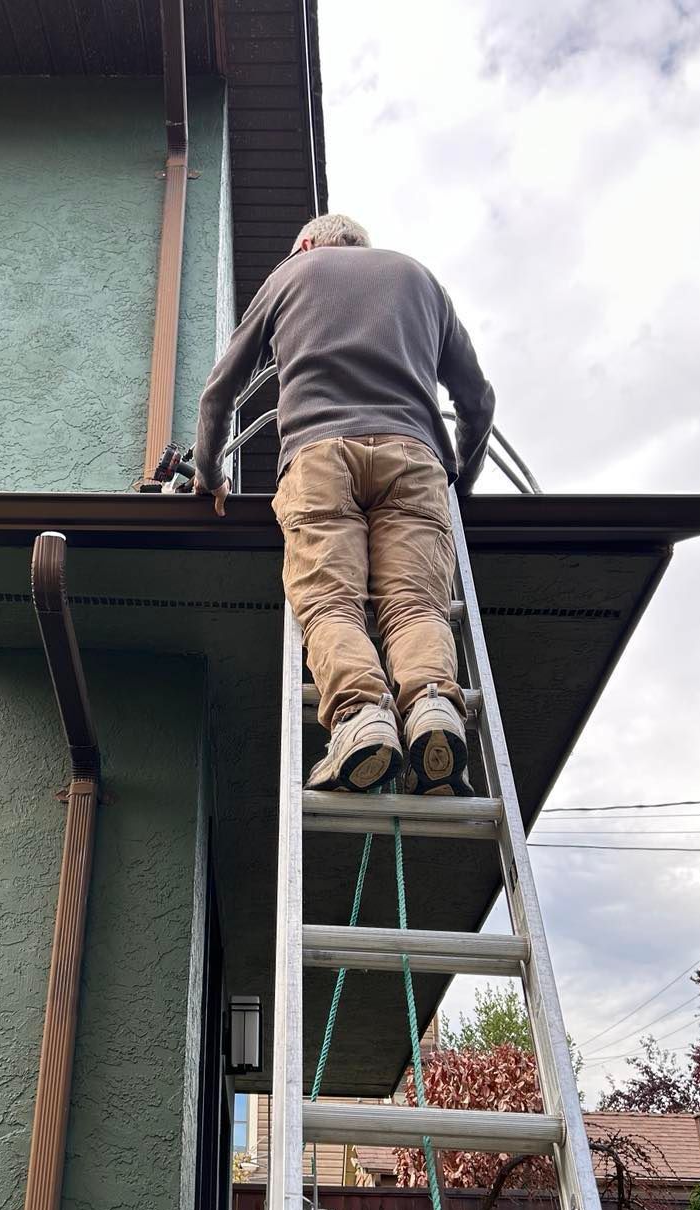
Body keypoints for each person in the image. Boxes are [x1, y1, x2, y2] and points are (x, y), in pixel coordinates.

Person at [191, 213, 495, 795]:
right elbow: (477, 399)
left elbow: (219, 390)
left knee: (332, 603)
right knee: (416, 606)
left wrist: (208, 474)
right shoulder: (421, 279)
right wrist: (465, 482)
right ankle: (433, 707)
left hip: (318, 457)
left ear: (305, 245)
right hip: (414, 458)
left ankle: (362, 720)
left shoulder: (289, 276)